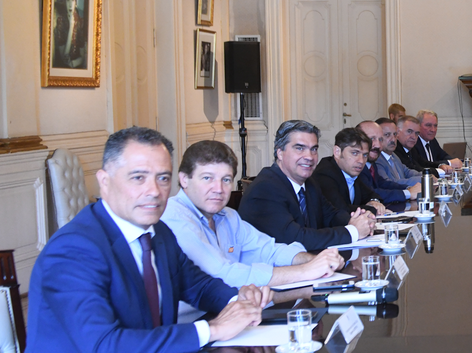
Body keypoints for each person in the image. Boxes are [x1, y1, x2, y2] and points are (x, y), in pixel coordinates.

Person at [0, 127, 266, 353]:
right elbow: (104, 349)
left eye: (162, 178)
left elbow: (198, 285)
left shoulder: (158, 232)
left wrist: (238, 300)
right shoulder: (73, 249)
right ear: (105, 181)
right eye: (138, 177)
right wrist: (212, 330)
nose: (154, 191)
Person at [162, 140, 344, 288]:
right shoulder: (174, 218)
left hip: (231, 309)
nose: (218, 189)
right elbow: (224, 275)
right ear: (184, 179)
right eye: (207, 178)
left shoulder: (228, 216)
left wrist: (316, 261)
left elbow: (268, 250)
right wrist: (305, 271)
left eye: (226, 180)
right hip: (196, 319)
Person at [238, 120, 375, 250]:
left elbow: (331, 216)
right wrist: (352, 231)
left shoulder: (309, 183)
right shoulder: (266, 188)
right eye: (300, 148)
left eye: (313, 149)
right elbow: (296, 240)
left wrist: (359, 220)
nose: (309, 156)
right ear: (280, 153)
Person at [310, 127, 390, 216]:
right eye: (354, 153)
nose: (361, 161)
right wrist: (374, 210)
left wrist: (374, 201)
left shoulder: (351, 171)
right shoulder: (324, 174)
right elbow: (340, 210)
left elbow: (371, 194)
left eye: (365, 155)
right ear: (337, 152)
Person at [357, 120, 420, 204]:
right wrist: (408, 193)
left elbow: (383, 183)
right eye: (372, 139)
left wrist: (408, 188)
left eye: (380, 139)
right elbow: (370, 193)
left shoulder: (371, 164)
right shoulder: (358, 166)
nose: (378, 145)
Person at [376, 117, 424, 191]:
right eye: (387, 135)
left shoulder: (393, 155)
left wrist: (427, 176)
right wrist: (424, 180)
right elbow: (389, 183)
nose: (393, 139)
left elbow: (407, 172)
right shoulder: (377, 160)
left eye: (395, 134)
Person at [51, 0, 87, 70]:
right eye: (68, 0)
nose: (70, 4)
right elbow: (64, 57)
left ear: (75, 2)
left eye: (72, 0)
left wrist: (73, 64)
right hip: (62, 68)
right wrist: (71, 26)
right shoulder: (60, 21)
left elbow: (82, 56)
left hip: (75, 65)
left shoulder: (80, 22)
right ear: (65, 1)